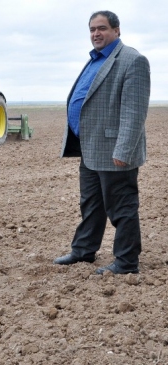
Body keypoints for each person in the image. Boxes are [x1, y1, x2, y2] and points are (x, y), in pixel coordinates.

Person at [53, 10, 151, 274]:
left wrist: (124, 150)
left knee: (122, 207)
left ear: (117, 30)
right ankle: (83, 251)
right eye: (92, 29)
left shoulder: (132, 60)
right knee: (91, 204)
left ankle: (127, 262)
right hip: (90, 147)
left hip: (114, 151)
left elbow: (135, 111)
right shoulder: (95, 60)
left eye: (102, 28)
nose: (96, 34)